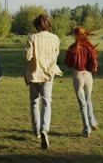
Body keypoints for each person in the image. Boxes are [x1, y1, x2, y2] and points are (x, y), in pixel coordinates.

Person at [25, 14, 63, 149]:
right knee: (47, 102)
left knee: (34, 102)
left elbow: (28, 56)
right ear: (48, 24)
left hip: (35, 74)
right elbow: (56, 54)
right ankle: (44, 129)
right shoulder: (55, 38)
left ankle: (36, 130)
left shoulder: (32, 38)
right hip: (48, 74)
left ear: (36, 25)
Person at [64, 26, 99, 137]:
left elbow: (68, 63)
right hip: (88, 76)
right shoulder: (89, 48)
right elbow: (94, 63)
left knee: (82, 104)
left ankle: (86, 129)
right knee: (88, 100)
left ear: (75, 35)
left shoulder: (73, 48)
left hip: (78, 75)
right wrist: (93, 70)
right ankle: (92, 121)